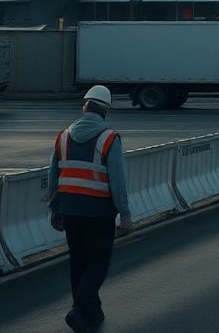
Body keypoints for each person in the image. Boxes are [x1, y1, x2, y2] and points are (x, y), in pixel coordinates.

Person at [45, 85, 135, 332]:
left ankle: (90, 314)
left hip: (71, 210)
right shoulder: (109, 138)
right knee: (98, 262)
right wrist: (125, 214)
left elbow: (53, 175)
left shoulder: (63, 136)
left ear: (84, 106)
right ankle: (78, 309)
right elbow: (117, 180)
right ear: (105, 110)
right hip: (99, 211)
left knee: (78, 261)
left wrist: (55, 208)